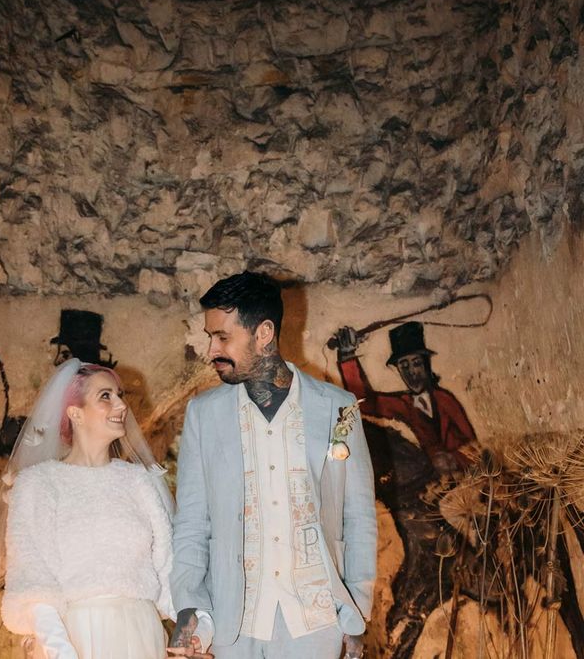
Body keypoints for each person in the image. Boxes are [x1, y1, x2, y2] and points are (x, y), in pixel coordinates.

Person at [169, 272, 377, 659]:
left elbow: (359, 516)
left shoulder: (338, 408)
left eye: (222, 337)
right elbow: (192, 523)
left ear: (264, 332)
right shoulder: (203, 414)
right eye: (210, 336)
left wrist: (356, 613)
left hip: (317, 623)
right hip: (233, 625)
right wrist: (189, 607)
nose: (211, 350)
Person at [0, 358, 197, 659]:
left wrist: (188, 630)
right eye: (105, 396)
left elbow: (168, 569)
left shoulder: (140, 482)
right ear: (75, 413)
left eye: (119, 395)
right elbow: (33, 578)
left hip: (141, 633)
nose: (121, 405)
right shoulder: (39, 484)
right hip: (75, 636)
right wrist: (61, 650)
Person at [334, 321, 476, 474]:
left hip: (464, 479)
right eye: (404, 365)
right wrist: (347, 356)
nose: (412, 372)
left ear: (426, 365)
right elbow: (364, 402)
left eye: (416, 363)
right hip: (426, 483)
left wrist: (454, 460)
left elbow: (474, 447)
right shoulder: (402, 404)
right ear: (398, 370)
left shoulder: (446, 400)